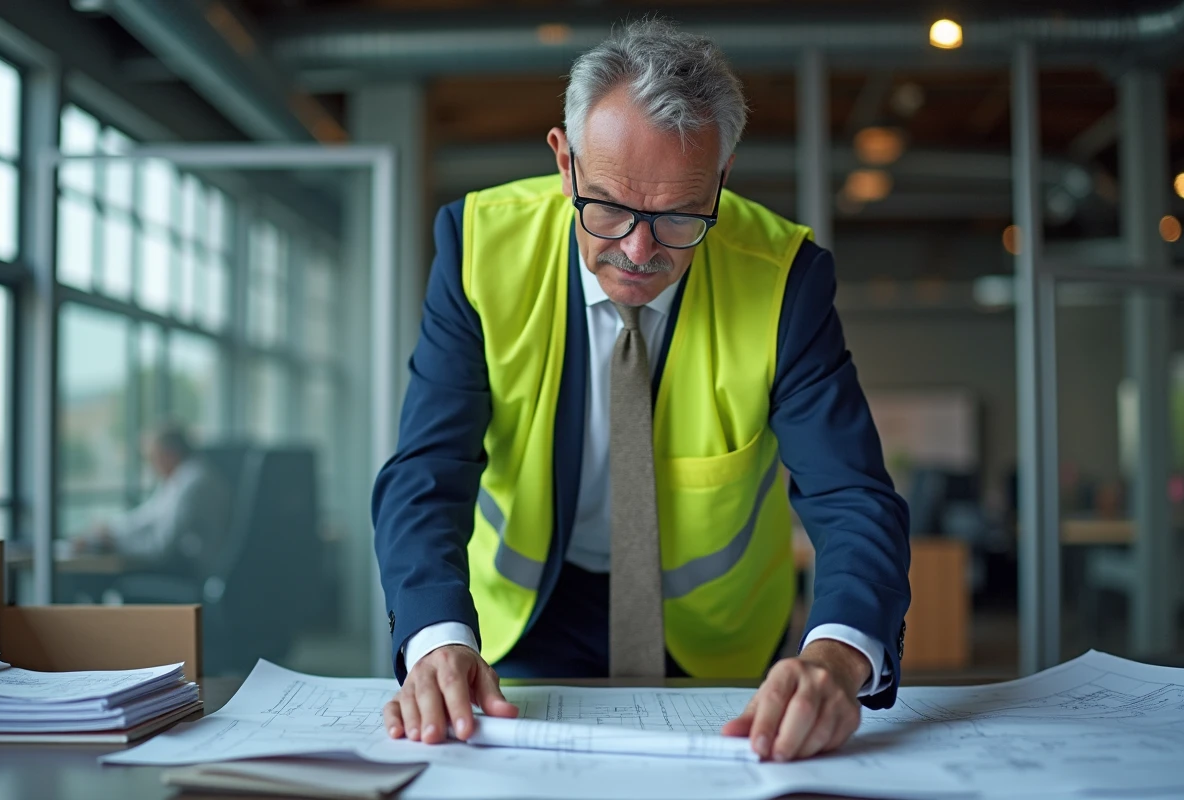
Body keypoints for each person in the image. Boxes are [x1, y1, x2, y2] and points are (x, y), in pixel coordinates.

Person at [372, 19, 910, 762]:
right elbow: (426, 471)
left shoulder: (785, 277)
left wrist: (837, 656)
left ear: (720, 179)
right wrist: (437, 637)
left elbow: (851, 494)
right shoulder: (478, 248)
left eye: (680, 216)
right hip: (520, 626)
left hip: (718, 646)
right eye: (610, 207)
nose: (638, 249)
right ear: (565, 164)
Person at [73, 423, 230, 571]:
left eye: (153, 457)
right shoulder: (178, 478)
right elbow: (145, 517)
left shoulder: (194, 483)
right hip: (179, 562)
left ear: (170, 453)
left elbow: (161, 547)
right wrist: (110, 529)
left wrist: (114, 544)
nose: (152, 466)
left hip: (190, 569)